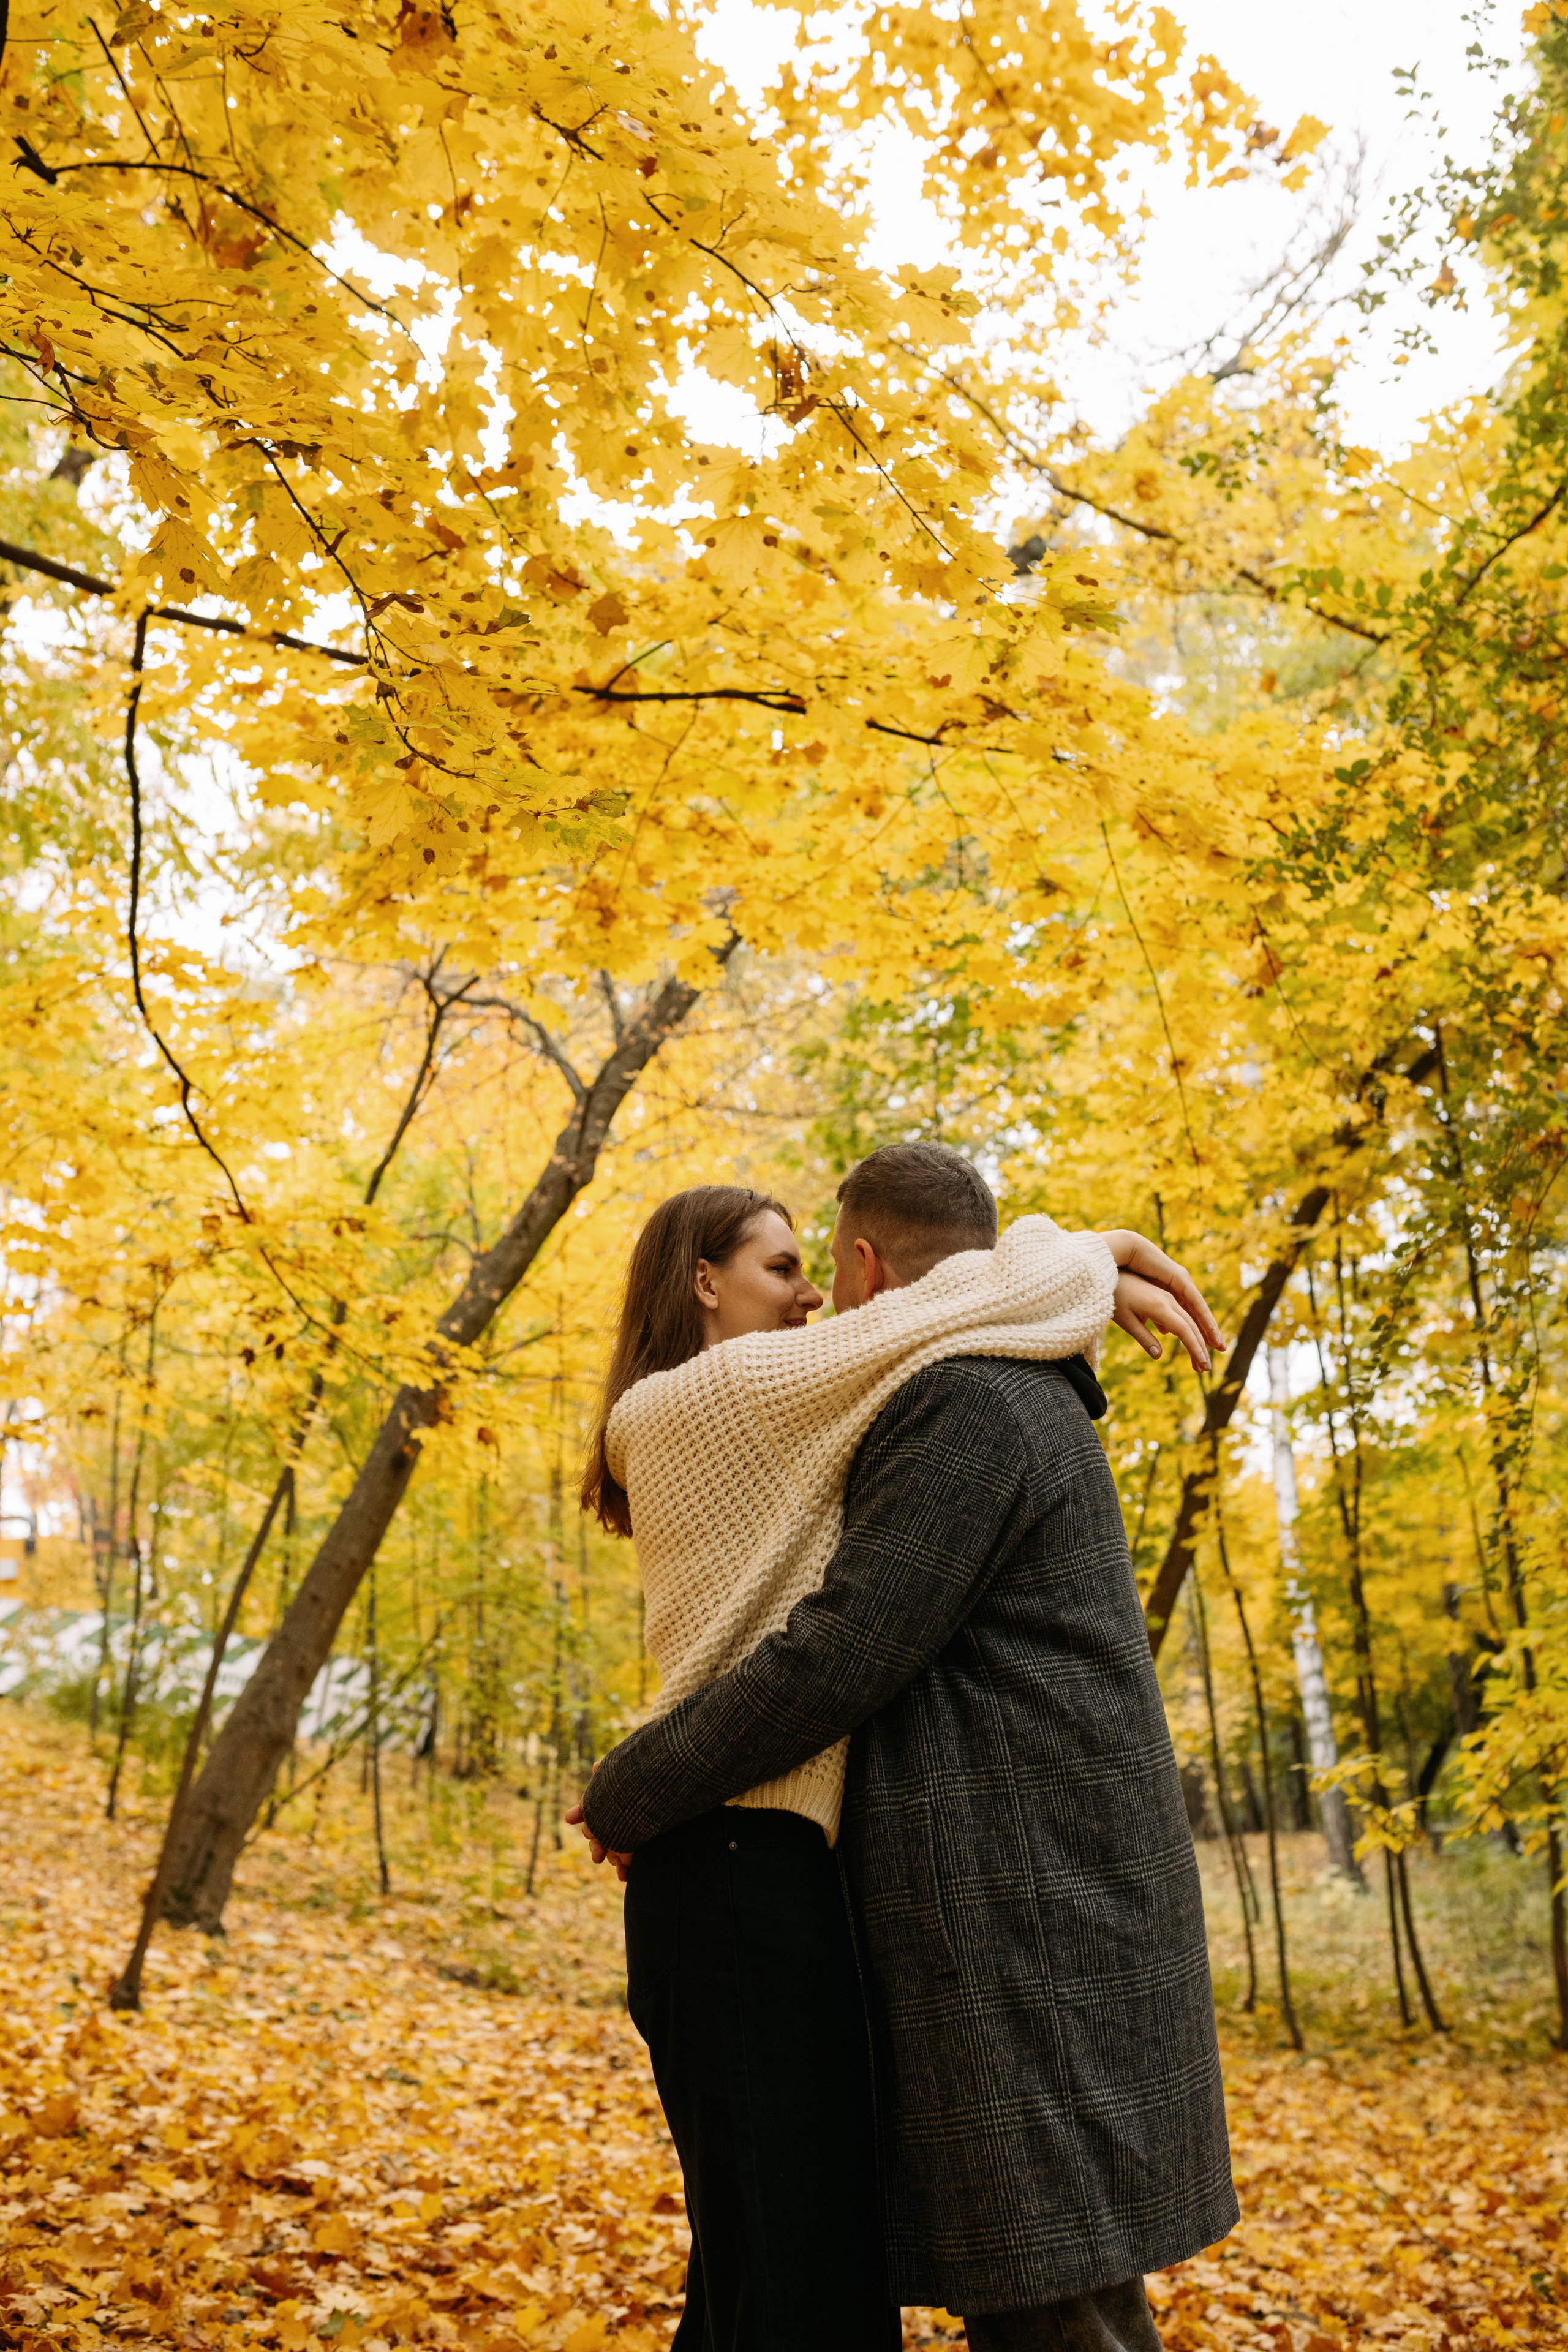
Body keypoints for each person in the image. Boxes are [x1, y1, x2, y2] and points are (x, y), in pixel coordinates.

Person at [572, 1152, 1228, 2351]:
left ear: (868, 1262)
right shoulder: (737, 1401)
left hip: (1019, 1919)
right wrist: (1078, 1255)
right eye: (785, 1271)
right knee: (790, 2278)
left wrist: (632, 1781)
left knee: (1017, 2297)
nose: (822, 1301)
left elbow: (846, 1644)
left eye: (820, 1266)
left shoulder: (965, 1398)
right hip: (903, 1900)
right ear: (704, 1284)